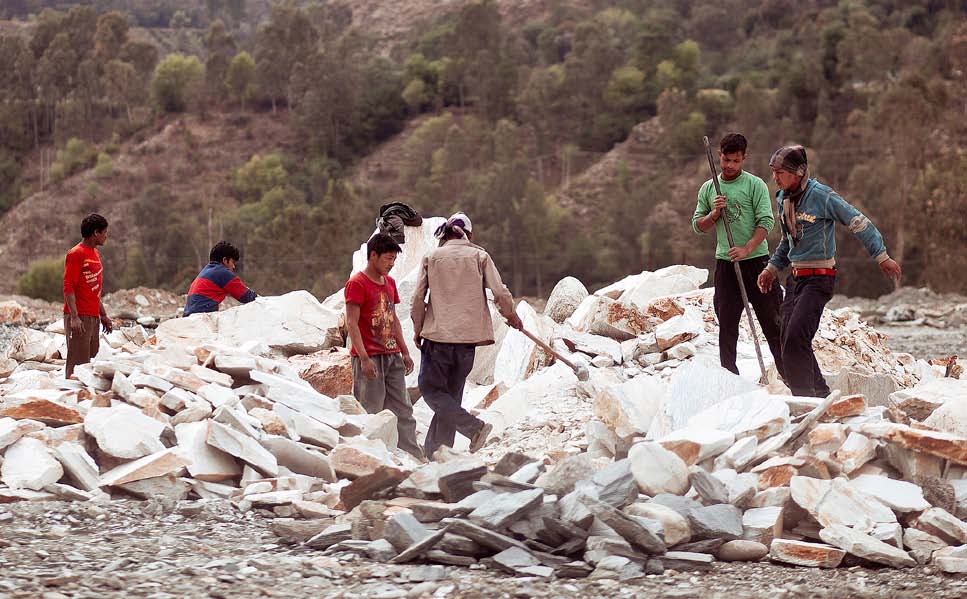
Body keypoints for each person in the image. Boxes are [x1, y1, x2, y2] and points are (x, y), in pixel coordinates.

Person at [757, 145, 902, 397]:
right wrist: (771, 268)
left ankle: (805, 402)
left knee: (795, 337)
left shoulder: (821, 196)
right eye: (774, 172)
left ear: (798, 172)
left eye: (780, 172)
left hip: (818, 280)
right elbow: (786, 241)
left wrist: (882, 256)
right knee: (788, 339)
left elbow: (858, 221)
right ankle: (821, 395)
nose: (775, 178)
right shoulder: (784, 199)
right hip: (795, 280)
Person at [411, 212, 523, 459]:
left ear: (447, 233)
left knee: (430, 389)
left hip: (438, 338)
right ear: (468, 235)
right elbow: (500, 293)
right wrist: (512, 317)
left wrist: (417, 328)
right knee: (450, 397)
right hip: (467, 343)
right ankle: (438, 454)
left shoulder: (432, 257)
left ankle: (475, 429)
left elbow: (418, 298)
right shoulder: (480, 256)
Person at [692, 133, 785, 378]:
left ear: (744, 159)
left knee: (773, 323)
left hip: (758, 264)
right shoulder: (709, 188)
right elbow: (697, 226)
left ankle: (790, 378)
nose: (729, 165)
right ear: (719, 155)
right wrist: (714, 214)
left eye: (735, 161)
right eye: (725, 159)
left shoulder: (755, 185)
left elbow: (766, 221)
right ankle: (730, 380)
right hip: (726, 265)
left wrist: (747, 248)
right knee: (727, 326)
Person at [344, 233, 424, 460]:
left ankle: (413, 455)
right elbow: (351, 323)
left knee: (403, 409)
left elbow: (393, 319)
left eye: (393, 260)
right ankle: (370, 457)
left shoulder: (389, 283)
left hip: (392, 355)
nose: (391, 264)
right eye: (388, 259)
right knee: (371, 411)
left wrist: (405, 351)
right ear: (373, 255)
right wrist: (364, 358)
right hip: (369, 357)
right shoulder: (356, 284)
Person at [63, 213, 113, 377]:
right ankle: (71, 394)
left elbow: (93, 288)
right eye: (104, 232)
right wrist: (74, 317)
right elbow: (68, 286)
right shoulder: (76, 253)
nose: (106, 236)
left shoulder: (95, 253)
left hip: (93, 314)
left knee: (90, 358)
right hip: (80, 315)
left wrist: (103, 314)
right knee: (77, 363)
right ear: (96, 233)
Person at [183, 241, 257, 316]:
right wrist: (265, 302)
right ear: (225, 260)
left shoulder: (205, 271)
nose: (233, 266)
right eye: (232, 262)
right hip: (200, 319)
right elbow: (247, 296)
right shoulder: (222, 273)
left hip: (188, 318)